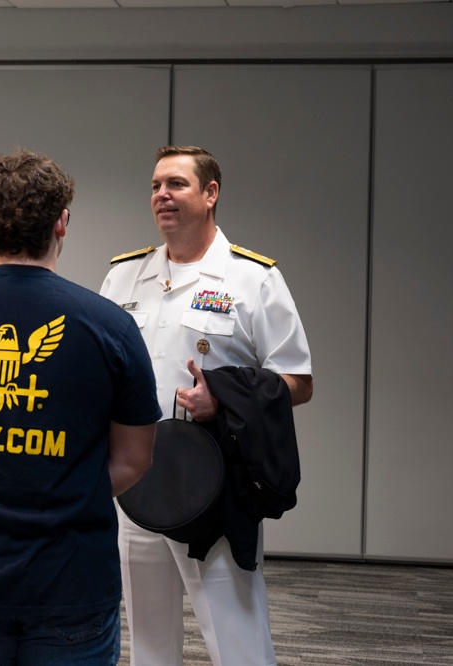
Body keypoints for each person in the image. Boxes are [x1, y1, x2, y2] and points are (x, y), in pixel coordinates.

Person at [0, 149, 162, 665]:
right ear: (62, 222)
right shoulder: (109, 327)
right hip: (71, 581)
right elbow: (134, 459)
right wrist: (65, 485)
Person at [100, 145, 314, 666]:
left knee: (236, 639)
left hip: (212, 482)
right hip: (134, 479)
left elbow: (298, 380)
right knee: (147, 642)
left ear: (210, 193)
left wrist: (224, 395)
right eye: (155, 186)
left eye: (176, 184)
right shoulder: (123, 277)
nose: (161, 196)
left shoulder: (252, 278)